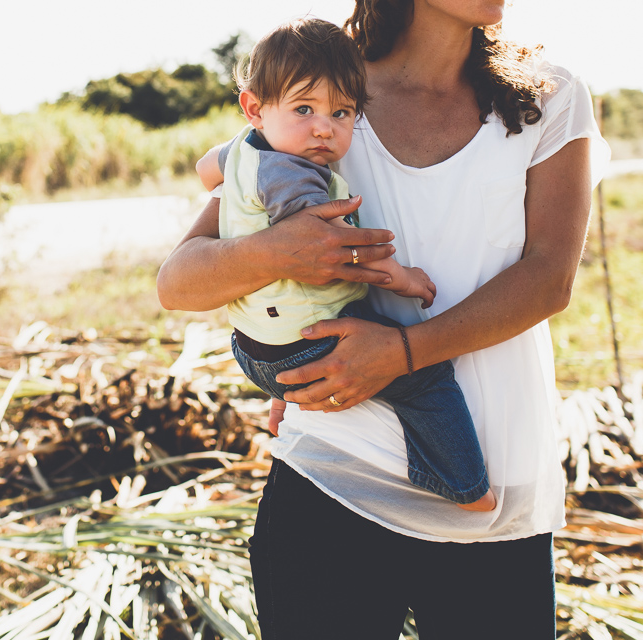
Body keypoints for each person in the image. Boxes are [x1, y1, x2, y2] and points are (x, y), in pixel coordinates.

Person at [156, 0, 609, 637]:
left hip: (493, 490)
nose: (327, 122)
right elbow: (178, 281)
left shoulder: (550, 97)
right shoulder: (326, 93)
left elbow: (548, 281)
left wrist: (403, 352)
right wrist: (275, 254)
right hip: (334, 477)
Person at [200, 18, 496, 512]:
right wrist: (404, 279)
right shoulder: (294, 177)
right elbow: (337, 252)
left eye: (341, 113)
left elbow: (203, 167)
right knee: (427, 379)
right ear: (254, 108)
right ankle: (465, 485)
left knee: (299, 314)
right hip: (301, 347)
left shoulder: (246, 150)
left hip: (251, 347)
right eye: (303, 108)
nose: (323, 127)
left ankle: (283, 396)